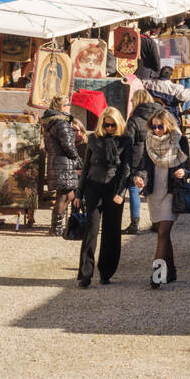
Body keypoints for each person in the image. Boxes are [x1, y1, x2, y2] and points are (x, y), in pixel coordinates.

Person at [74, 107, 132, 287]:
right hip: (93, 187)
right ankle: (85, 274)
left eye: (113, 125)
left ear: (118, 124)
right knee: (91, 231)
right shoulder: (93, 139)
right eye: (106, 125)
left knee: (112, 232)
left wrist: (121, 193)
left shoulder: (125, 141)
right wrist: (79, 192)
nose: (109, 128)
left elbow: (126, 169)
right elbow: (85, 168)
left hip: (113, 188)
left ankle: (106, 272)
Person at [134, 108, 190, 287]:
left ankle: (157, 275)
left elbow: (188, 166)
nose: (157, 130)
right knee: (163, 234)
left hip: (172, 192)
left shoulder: (180, 140)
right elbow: (143, 166)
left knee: (163, 232)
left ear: (169, 126)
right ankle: (171, 271)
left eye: (160, 127)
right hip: (154, 193)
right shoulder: (149, 141)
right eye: (154, 126)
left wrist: (184, 171)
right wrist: (139, 177)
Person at [41, 95, 84, 236]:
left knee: (69, 194)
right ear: (61, 107)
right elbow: (68, 145)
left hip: (58, 161)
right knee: (63, 195)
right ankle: (55, 228)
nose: (70, 106)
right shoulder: (61, 122)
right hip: (62, 162)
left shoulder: (52, 122)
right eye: (68, 104)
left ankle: (57, 226)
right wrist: (77, 159)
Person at [123, 89, 163, 234]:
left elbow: (128, 142)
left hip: (138, 158)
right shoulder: (160, 115)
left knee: (134, 188)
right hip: (158, 156)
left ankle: (135, 223)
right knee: (154, 190)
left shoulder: (135, 119)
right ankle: (157, 222)